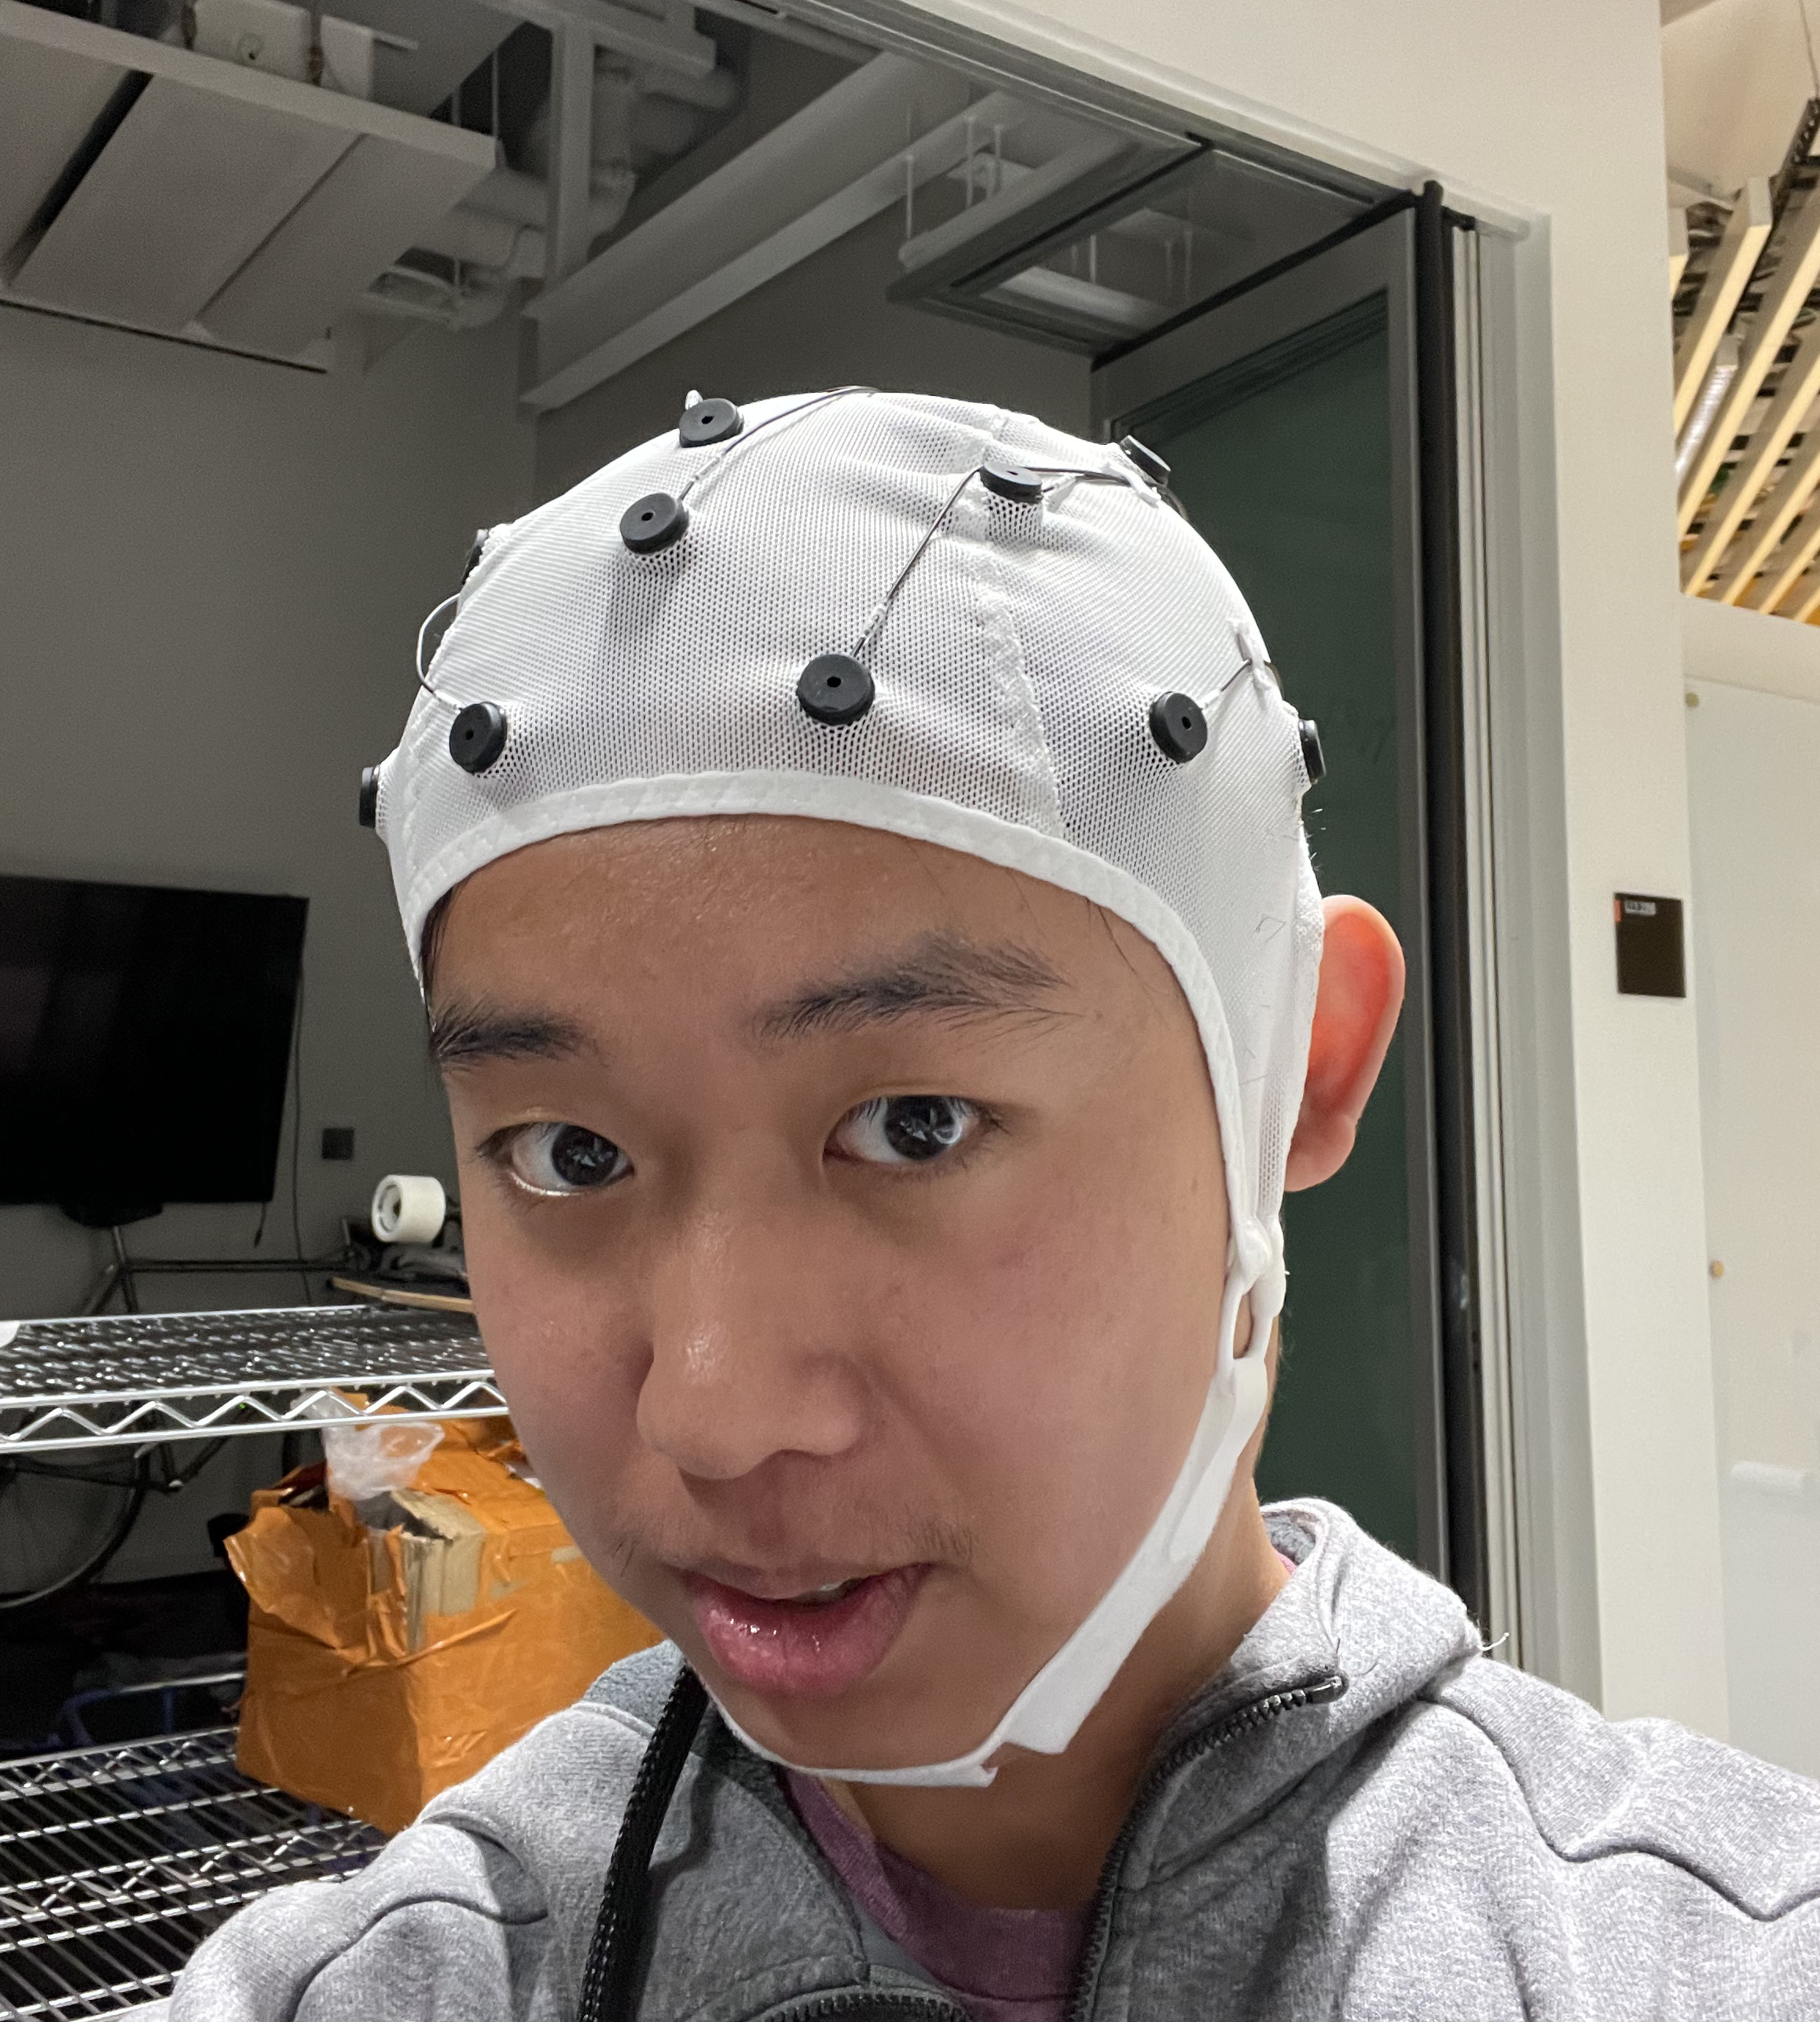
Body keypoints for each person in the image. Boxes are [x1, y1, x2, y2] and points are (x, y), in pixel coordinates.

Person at [177, 388, 1820, 2020]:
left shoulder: (1699, 1953)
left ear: (1300, 1069)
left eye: (915, 1125)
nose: (716, 1412)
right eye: (569, 1154)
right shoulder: (428, 1971)